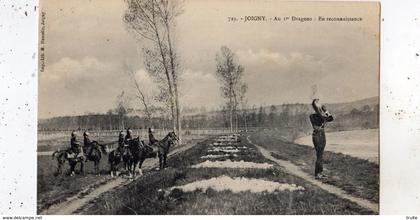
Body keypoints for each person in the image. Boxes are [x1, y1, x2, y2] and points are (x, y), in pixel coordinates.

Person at [309, 99, 334, 179]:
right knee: (320, 155)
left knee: (320, 155)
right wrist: (325, 110)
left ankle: (319, 172)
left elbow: (329, 118)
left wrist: (324, 110)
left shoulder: (312, 116)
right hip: (319, 135)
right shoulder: (317, 116)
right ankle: (318, 174)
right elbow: (330, 118)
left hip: (318, 135)